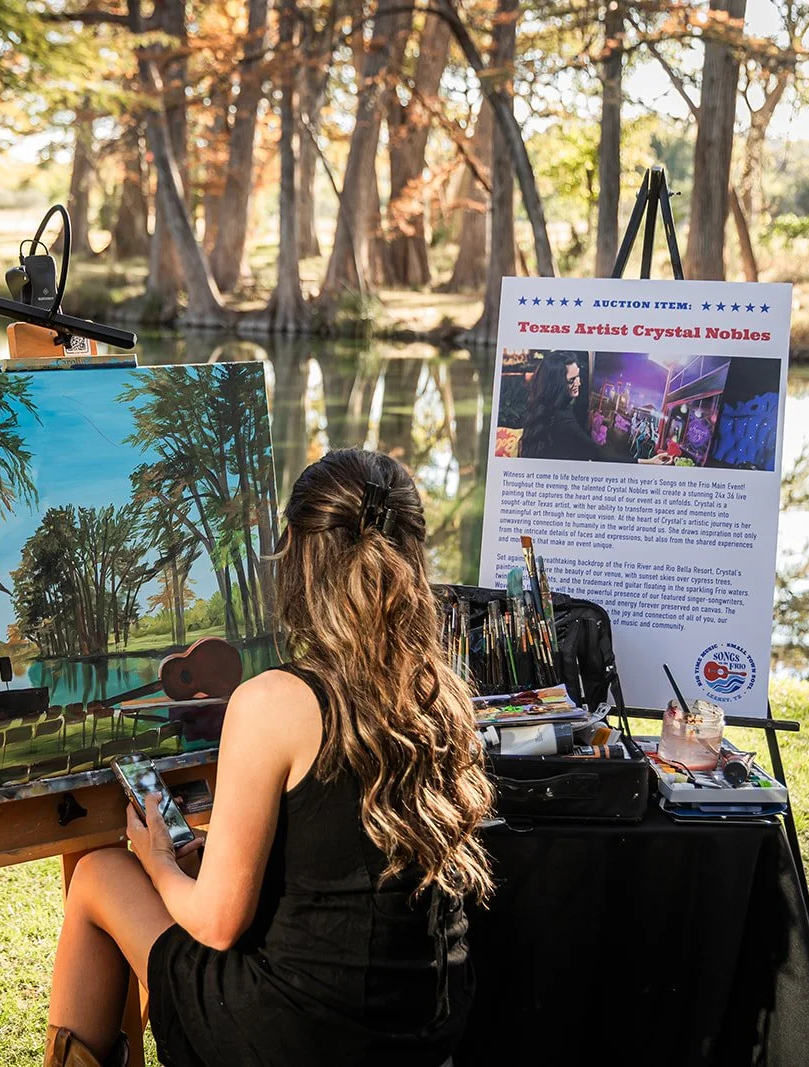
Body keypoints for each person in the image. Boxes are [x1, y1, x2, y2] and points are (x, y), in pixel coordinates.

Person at [44, 449, 495, 1067]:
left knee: (98, 875)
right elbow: (341, 856)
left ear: (299, 558)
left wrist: (158, 863)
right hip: (423, 1025)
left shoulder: (274, 700)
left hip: (302, 1035)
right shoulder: (441, 694)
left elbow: (219, 925)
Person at [518, 351, 598, 461]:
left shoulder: (543, 408)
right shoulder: (563, 421)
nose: (579, 383)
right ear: (557, 383)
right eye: (571, 380)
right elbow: (597, 454)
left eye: (578, 376)